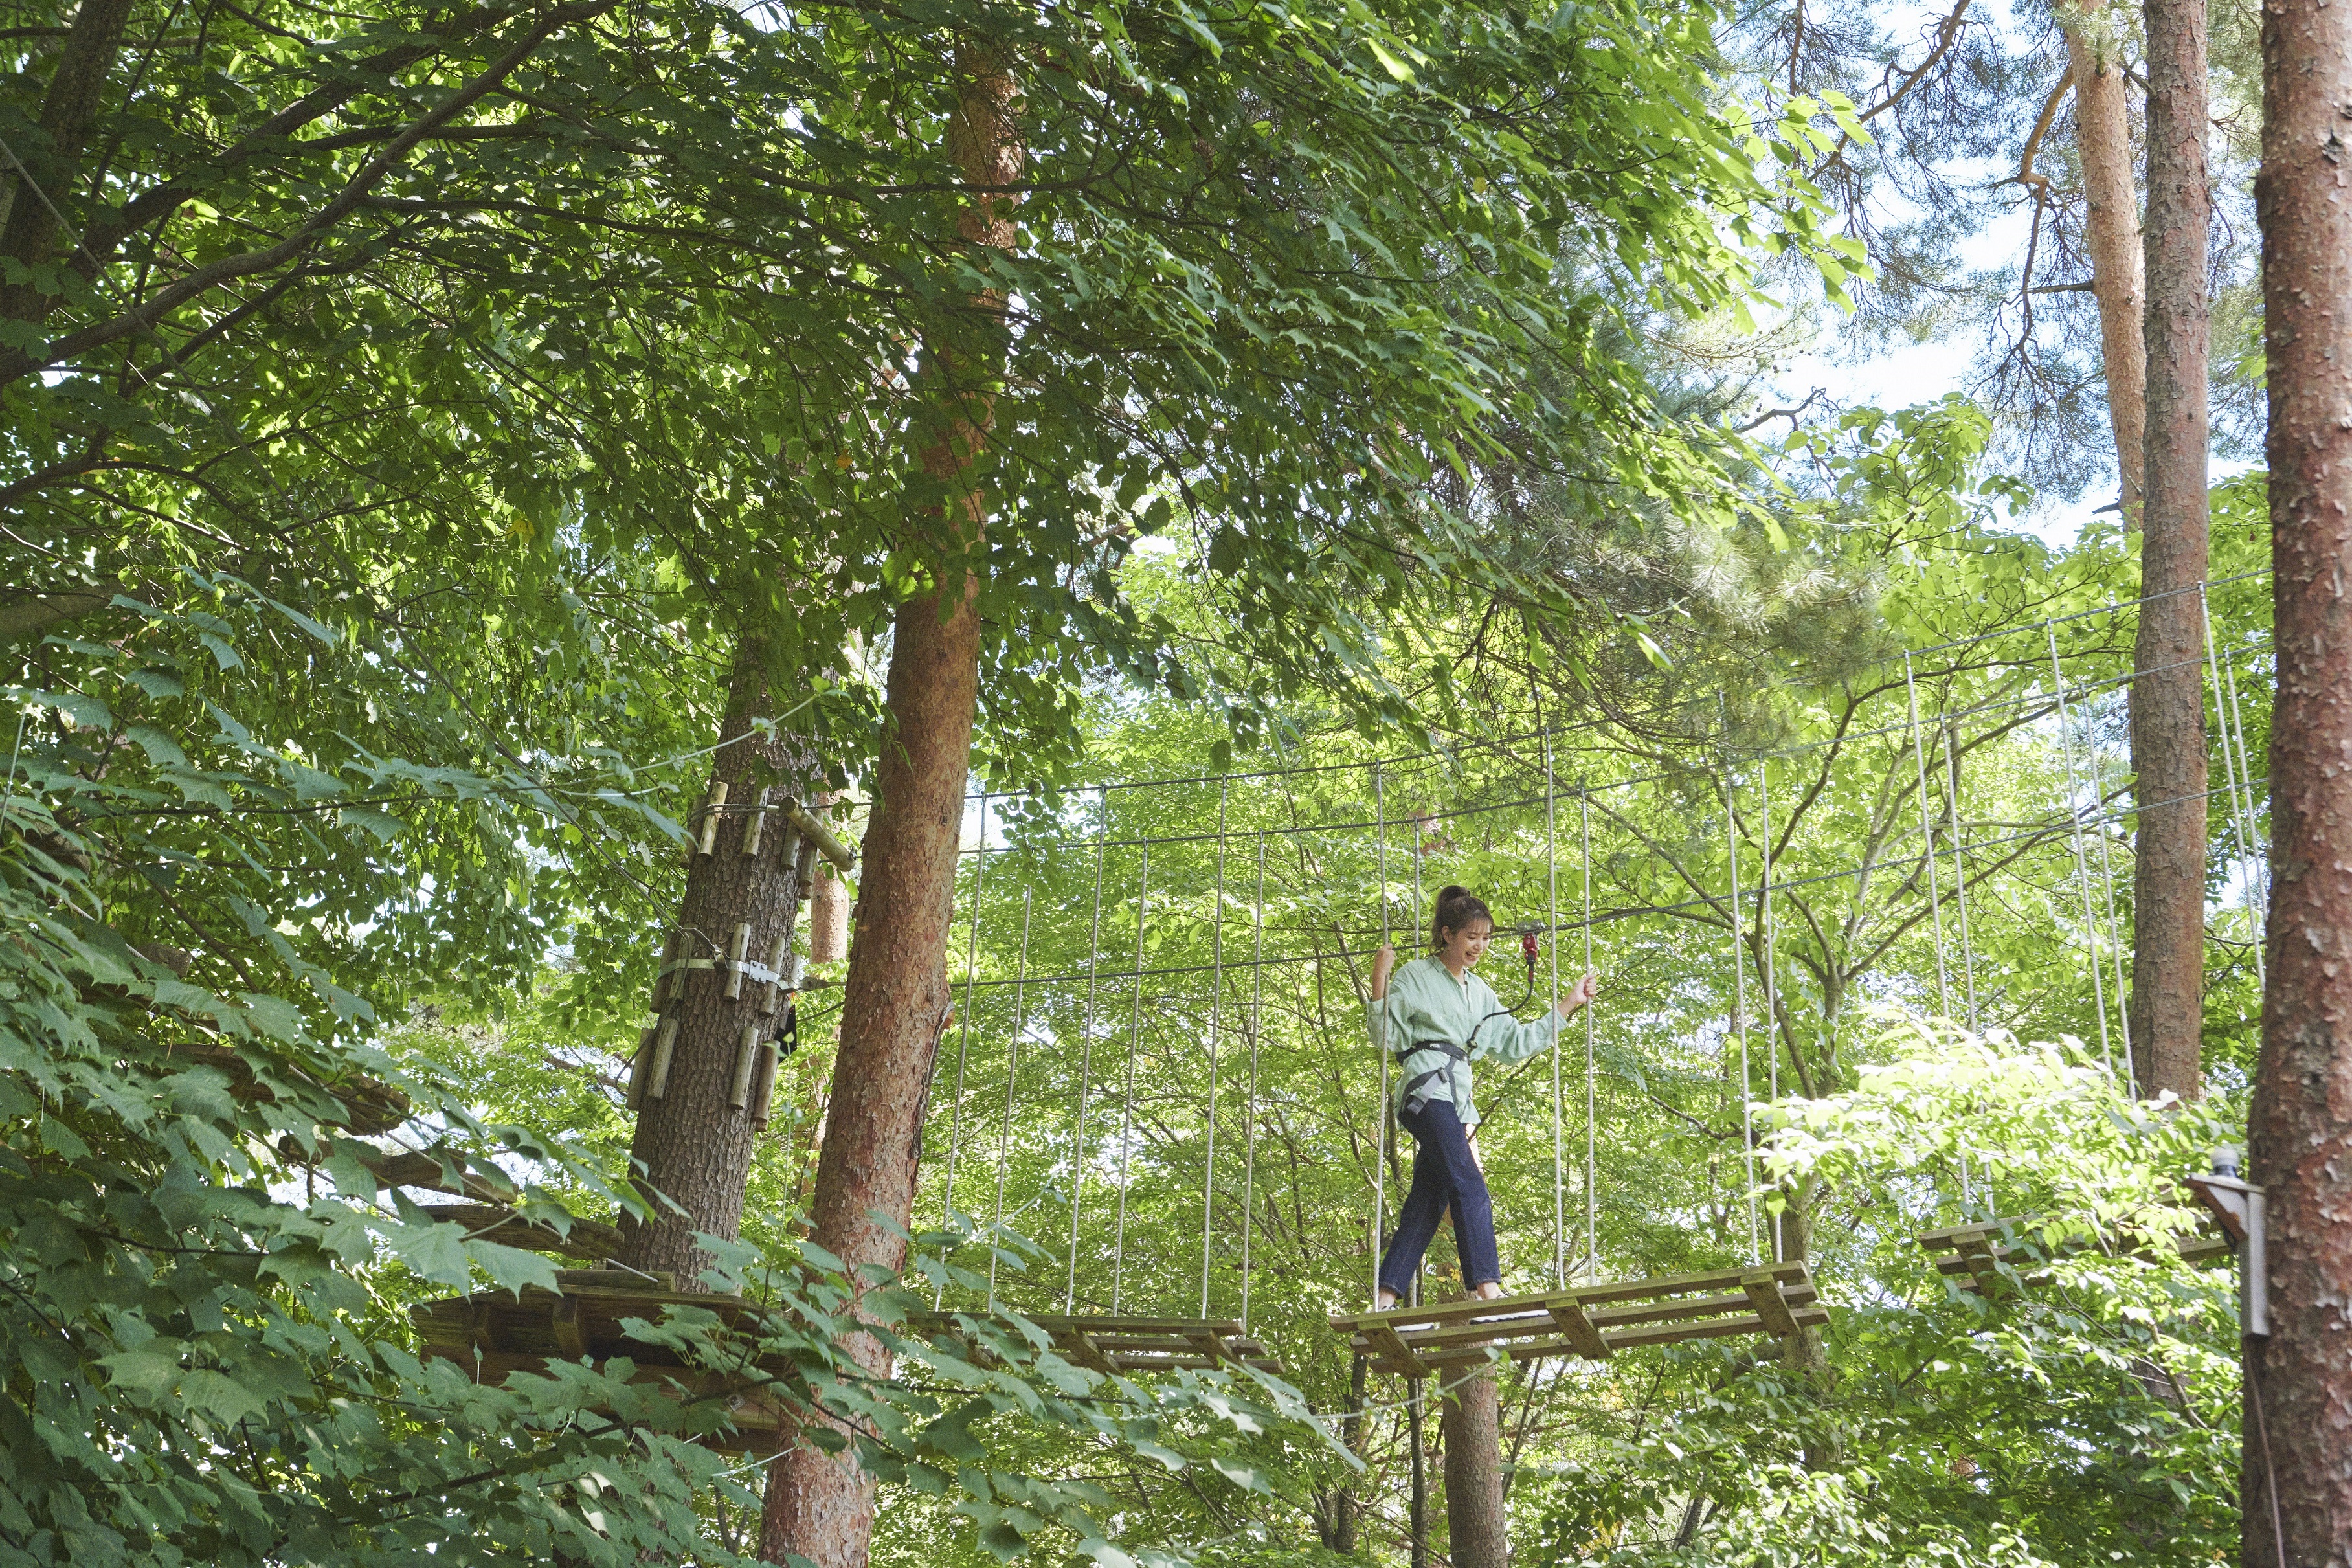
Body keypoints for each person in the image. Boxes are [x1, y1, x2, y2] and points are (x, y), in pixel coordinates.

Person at [1369, 884, 1598, 1310]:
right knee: (1469, 1184)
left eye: (1486, 937)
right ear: (1447, 935)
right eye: (1471, 936)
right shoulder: (1416, 975)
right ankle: (1486, 1290)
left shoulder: (1481, 993)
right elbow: (1385, 1035)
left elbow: (1516, 1042)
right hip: (1426, 1087)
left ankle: (1385, 1296)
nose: (1479, 945)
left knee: (1429, 1199)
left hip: (1456, 1101)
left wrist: (1570, 1003)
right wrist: (1379, 976)